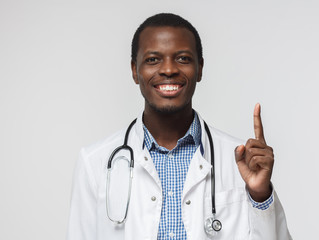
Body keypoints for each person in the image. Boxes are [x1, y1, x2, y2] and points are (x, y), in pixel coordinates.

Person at [67, 13, 292, 240]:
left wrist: (260, 195)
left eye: (183, 59)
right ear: (135, 71)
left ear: (200, 68)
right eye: (153, 59)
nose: (168, 70)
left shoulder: (241, 160)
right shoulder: (95, 162)